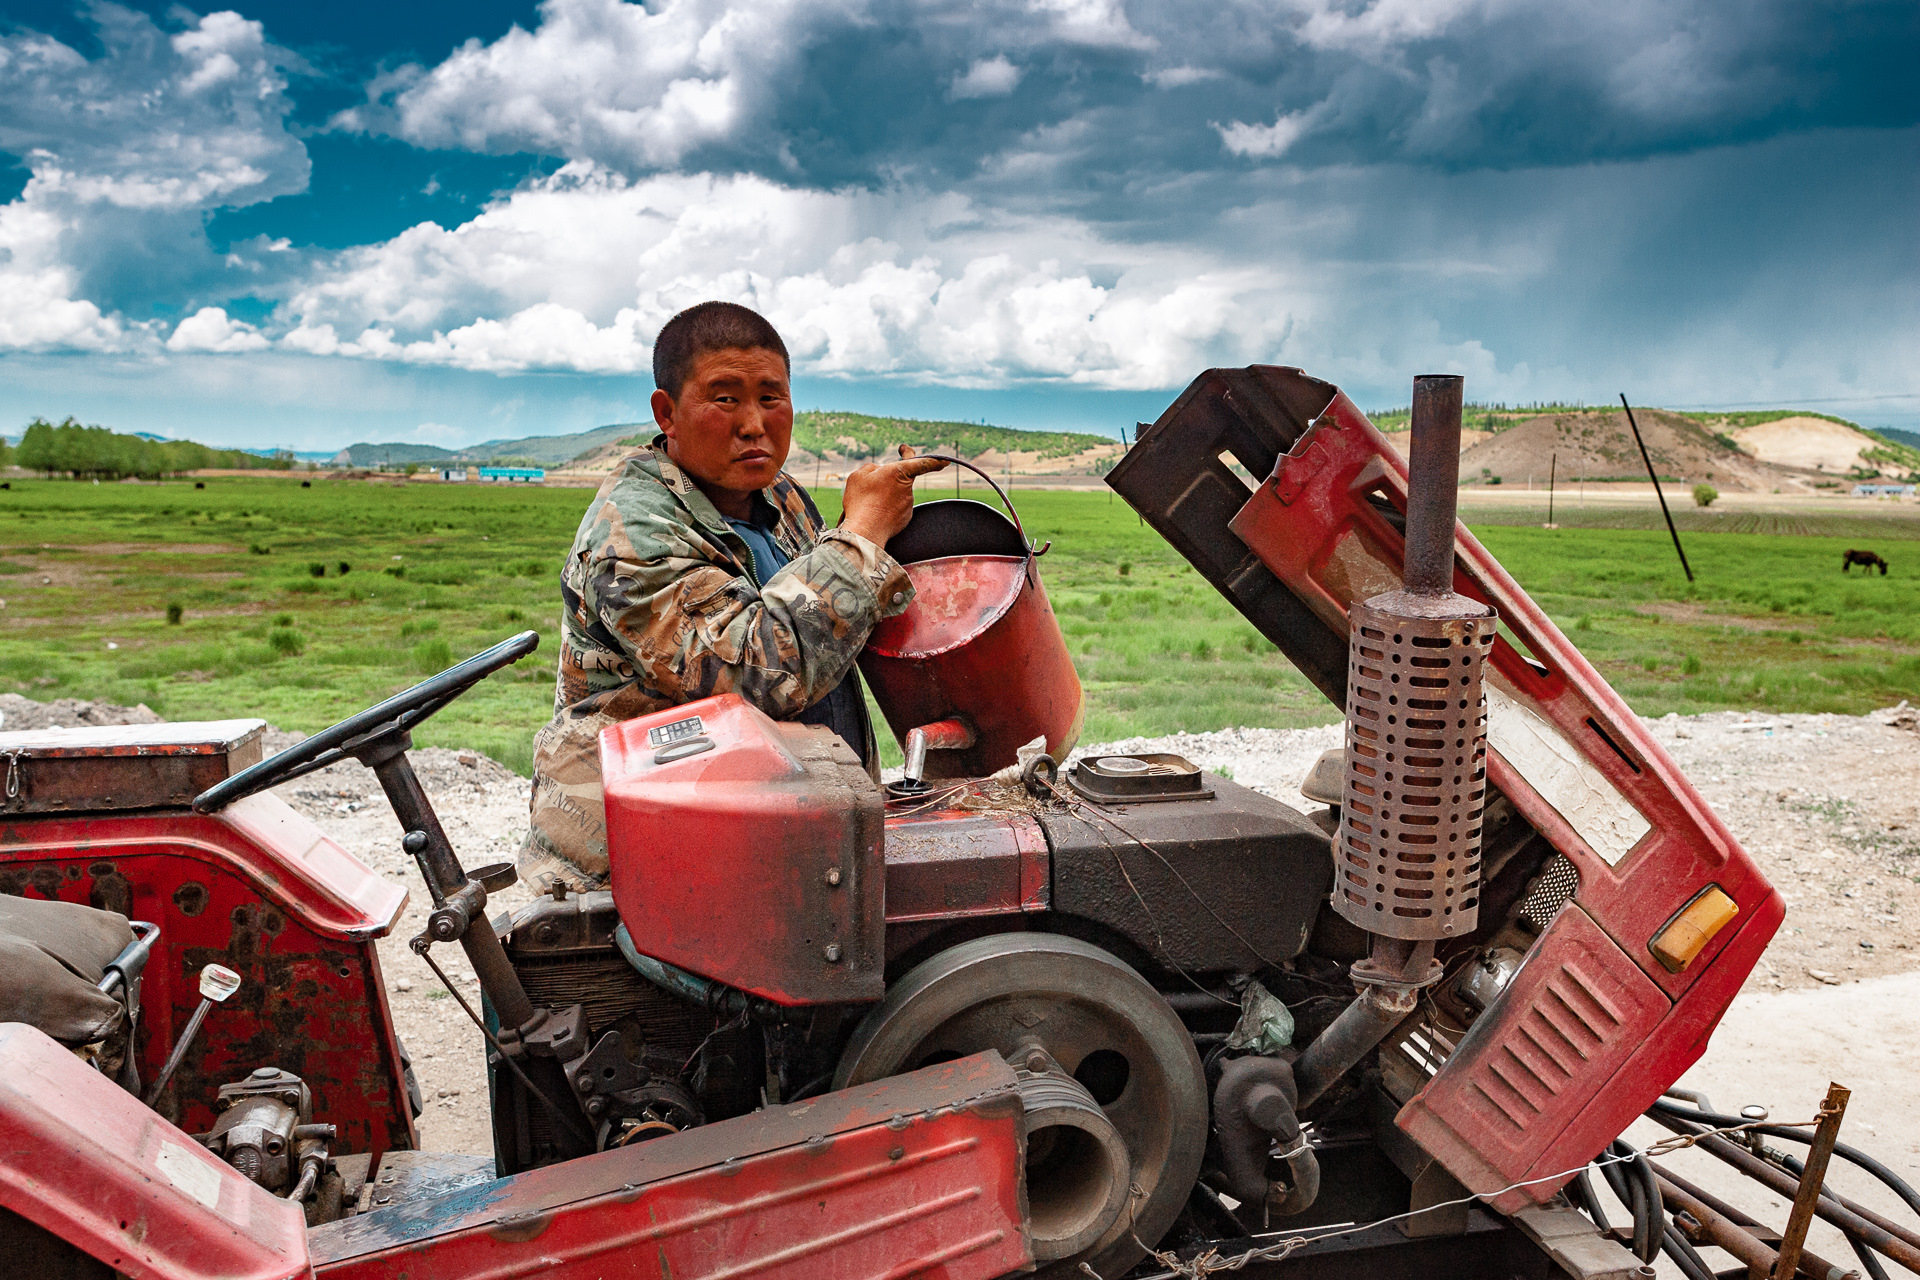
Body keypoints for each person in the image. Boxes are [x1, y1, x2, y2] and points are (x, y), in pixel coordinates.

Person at [519, 301, 947, 891]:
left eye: (771, 398)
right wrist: (862, 534)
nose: (754, 424)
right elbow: (756, 675)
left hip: (768, 835)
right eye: (725, 399)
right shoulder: (633, 530)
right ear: (666, 413)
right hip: (647, 860)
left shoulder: (779, 496)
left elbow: (829, 628)